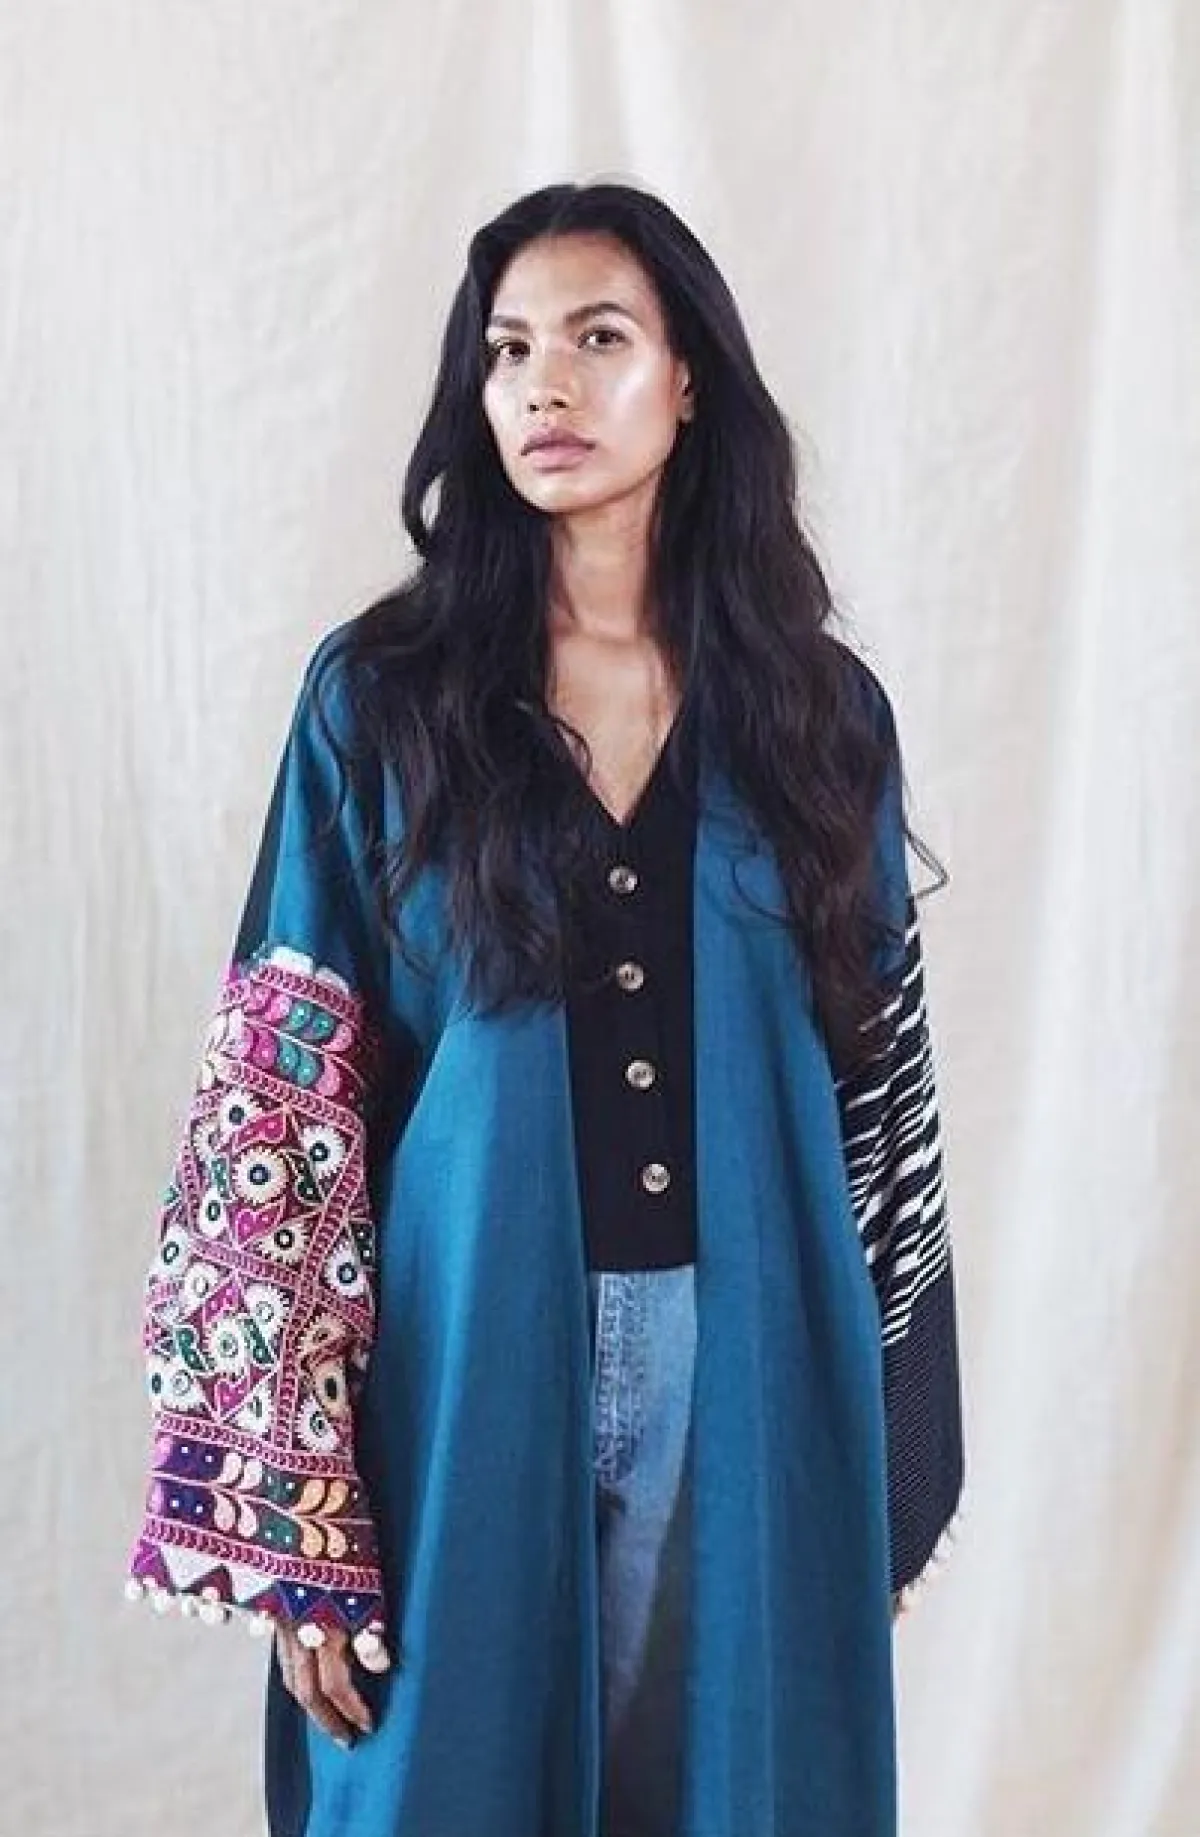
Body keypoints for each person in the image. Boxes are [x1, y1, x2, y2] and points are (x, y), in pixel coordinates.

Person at [126, 179, 965, 1837]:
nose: (545, 388)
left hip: (750, 1352)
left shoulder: (817, 716)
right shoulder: (386, 700)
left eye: (597, 339)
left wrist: (892, 1441)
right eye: (510, 350)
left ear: (689, 378)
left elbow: (882, 1091)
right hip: (461, 1363)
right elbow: (284, 1098)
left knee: (721, 1787)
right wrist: (292, 1514)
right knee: (435, 1783)